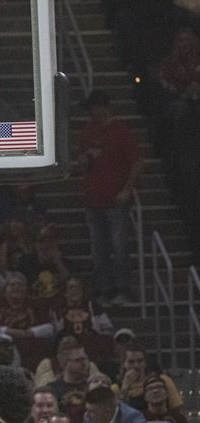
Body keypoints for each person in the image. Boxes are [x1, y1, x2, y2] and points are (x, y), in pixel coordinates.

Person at [78, 89, 141, 306]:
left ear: (102, 107)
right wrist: (86, 157)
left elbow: (136, 162)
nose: (91, 113)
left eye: (93, 108)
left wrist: (127, 189)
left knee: (119, 245)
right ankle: (105, 288)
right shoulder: (88, 130)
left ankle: (123, 288)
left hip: (115, 198)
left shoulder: (121, 131)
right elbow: (82, 163)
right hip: (93, 197)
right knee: (99, 247)